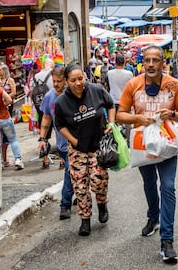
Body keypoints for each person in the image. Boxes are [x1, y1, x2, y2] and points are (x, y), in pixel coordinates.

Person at [116, 45, 178, 264]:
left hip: (166, 143)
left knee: (167, 186)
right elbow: (120, 115)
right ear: (142, 63)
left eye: (155, 60)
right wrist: (138, 119)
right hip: (142, 145)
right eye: (147, 60)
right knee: (149, 184)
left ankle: (167, 240)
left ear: (162, 63)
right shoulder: (133, 84)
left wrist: (172, 113)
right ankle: (152, 217)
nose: (150, 64)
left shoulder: (173, 85)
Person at [54, 64, 115, 236]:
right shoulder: (61, 102)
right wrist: (74, 141)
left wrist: (110, 123)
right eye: (73, 80)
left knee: (99, 181)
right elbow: (59, 125)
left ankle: (102, 204)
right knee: (80, 186)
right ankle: (85, 219)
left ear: (85, 77)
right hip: (77, 150)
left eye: (80, 78)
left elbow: (110, 105)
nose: (78, 83)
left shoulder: (96, 90)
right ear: (66, 82)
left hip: (98, 146)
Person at [38, 66, 74, 220]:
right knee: (71, 172)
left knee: (70, 172)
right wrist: (42, 138)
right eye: (54, 81)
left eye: (59, 81)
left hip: (77, 143)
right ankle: (73, 198)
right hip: (62, 145)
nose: (56, 84)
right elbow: (46, 117)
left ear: (66, 81)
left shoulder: (73, 94)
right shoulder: (49, 96)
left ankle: (65, 204)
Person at [30, 58, 54, 169]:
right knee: (60, 132)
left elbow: (31, 93)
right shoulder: (54, 75)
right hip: (56, 107)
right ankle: (63, 160)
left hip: (42, 108)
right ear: (52, 65)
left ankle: (45, 159)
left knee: (44, 134)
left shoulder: (35, 77)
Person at [0, 63, 17, 167]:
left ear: (5, 71)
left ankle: (7, 159)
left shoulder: (10, 80)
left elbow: (13, 93)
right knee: (2, 136)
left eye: (0, 70)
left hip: (8, 107)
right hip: (1, 109)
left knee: (8, 135)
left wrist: (5, 100)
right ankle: (3, 159)